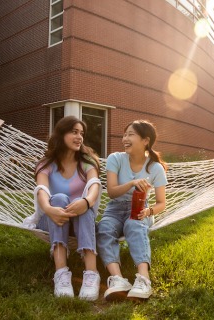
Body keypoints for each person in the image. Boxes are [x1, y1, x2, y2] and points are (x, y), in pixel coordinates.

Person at [97, 120, 167, 301]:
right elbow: (112, 192)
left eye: (130, 135)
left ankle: (144, 279)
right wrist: (132, 183)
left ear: (145, 140)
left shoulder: (155, 168)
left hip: (139, 208)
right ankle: (118, 279)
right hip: (114, 208)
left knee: (134, 226)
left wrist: (149, 212)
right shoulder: (116, 159)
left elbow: (161, 203)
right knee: (104, 228)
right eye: (124, 135)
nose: (125, 139)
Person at [33, 116, 101, 300]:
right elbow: (42, 191)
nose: (79, 137)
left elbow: (94, 186)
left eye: (82, 133)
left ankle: (91, 274)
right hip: (51, 219)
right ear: (61, 134)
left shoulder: (87, 162)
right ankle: (61, 274)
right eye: (74, 132)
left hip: (81, 221)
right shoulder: (46, 164)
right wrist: (49, 209)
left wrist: (86, 202)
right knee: (60, 198)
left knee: (84, 204)